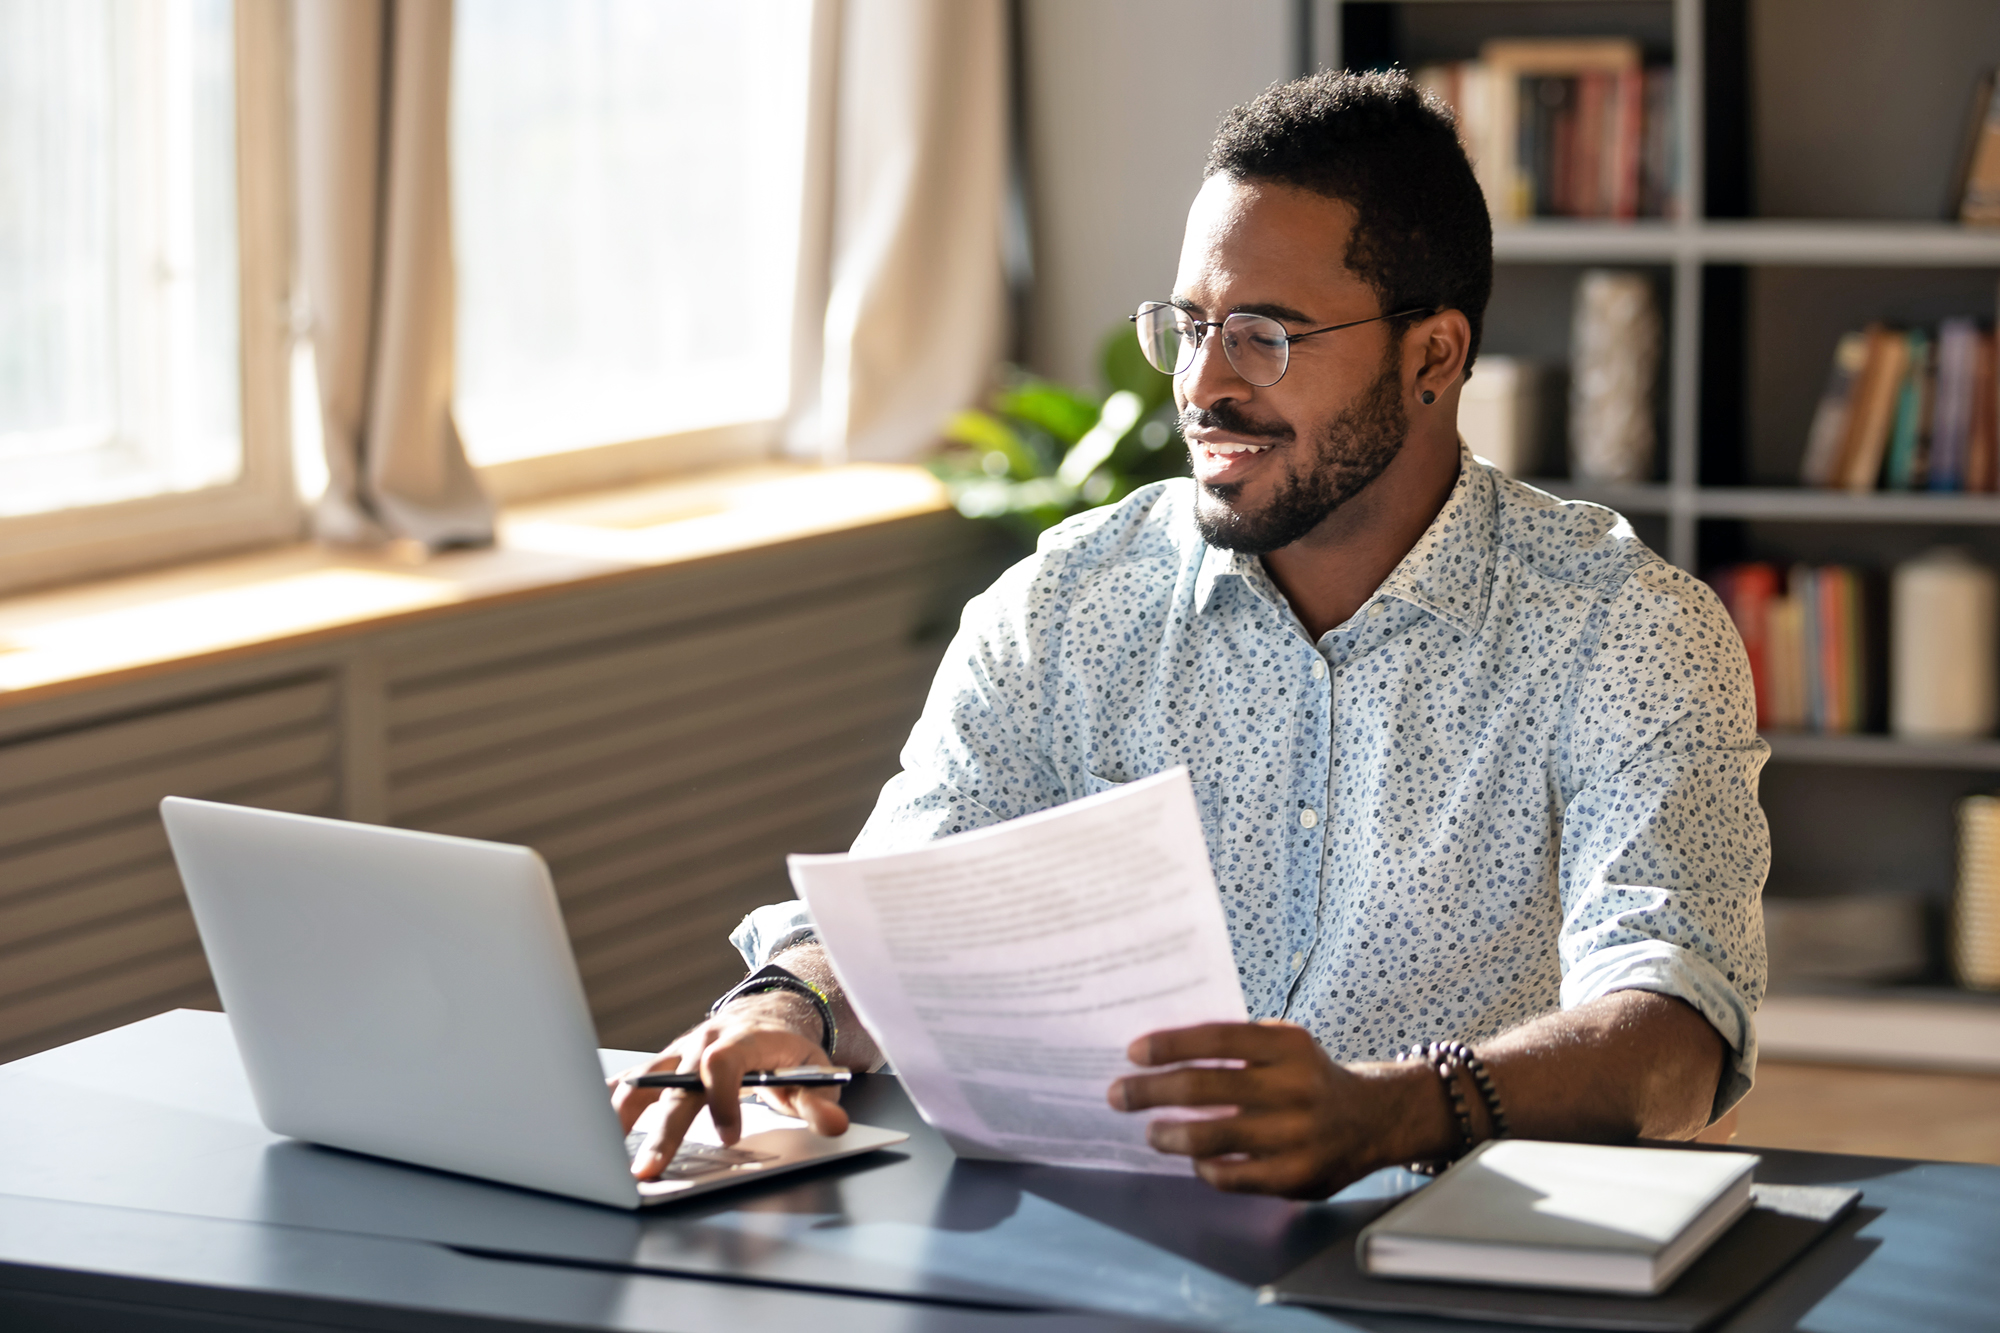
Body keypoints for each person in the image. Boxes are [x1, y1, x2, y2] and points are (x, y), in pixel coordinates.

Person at [614, 69, 1770, 1200]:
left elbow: (1675, 1027)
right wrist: (785, 1003)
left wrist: (1391, 1113)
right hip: (1107, 1244)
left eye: (1264, 335)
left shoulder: (1624, 630)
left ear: (1431, 356)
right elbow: (896, 912)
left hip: (1448, 1253)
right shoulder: (1069, 601)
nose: (1203, 385)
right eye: (1191, 324)